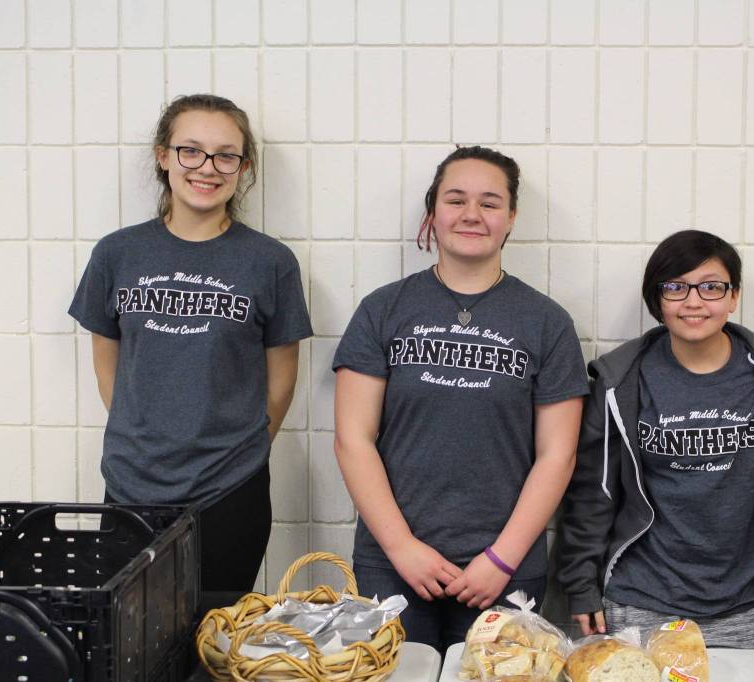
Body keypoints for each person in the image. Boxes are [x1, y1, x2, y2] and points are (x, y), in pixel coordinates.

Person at [332, 145, 589, 652]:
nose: (472, 214)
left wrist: (501, 559)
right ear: (433, 211)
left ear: (511, 217)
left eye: (490, 203)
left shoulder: (547, 322)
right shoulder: (383, 310)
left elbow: (557, 455)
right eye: (456, 200)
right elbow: (352, 439)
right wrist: (402, 548)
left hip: (504, 569)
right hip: (393, 563)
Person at [69, 94, 312, 592]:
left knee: (219, 630)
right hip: (131, 483)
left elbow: (282, 379)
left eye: (226, 155)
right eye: (191, 150)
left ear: (243, 167)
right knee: (131, 629)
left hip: (230, 487)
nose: (207, 167)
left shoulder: (270, 262)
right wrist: (142, 435)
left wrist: (239, 449)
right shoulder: (117, 253)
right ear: (163, 156)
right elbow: (106, 362)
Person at [557, 229, 754, 649]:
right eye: (676, 287)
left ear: (733, 296)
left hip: (744, 608)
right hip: (638, 602)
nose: (693, 301)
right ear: (658, 299)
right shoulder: (620, 381)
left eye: (711, 287)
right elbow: (591, 497)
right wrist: (581, 584)